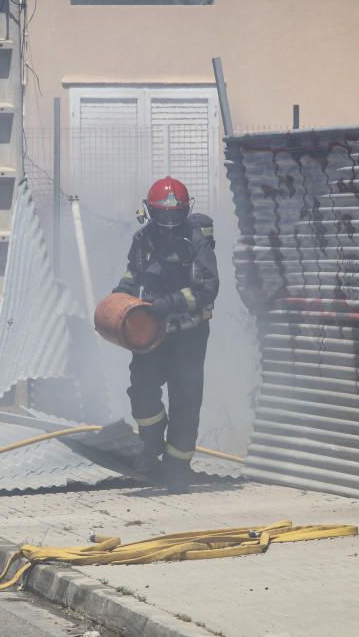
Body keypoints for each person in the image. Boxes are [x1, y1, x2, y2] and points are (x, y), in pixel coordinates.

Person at [112, 176, 219, 492]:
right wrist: (120, 297)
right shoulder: (143, 239)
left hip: (189, 336)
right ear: (150, 212)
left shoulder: (196, 242)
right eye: (162, 215)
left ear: (186, 212)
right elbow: (132, 274)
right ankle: (152, 440)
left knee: (185, 402)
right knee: (142, 390)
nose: (168, 222)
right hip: (151, 334)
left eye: (175, 215)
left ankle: (176, 469)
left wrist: (167, 304)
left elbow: (208, 289)